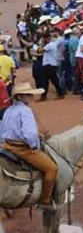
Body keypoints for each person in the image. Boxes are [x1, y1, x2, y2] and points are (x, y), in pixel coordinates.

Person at [0, 82, 56, 210]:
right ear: (19, 97)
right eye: (28, 95)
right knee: (52, 169)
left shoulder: (9, 110)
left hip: (7, 146)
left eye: (31, 94)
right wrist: (35, 144)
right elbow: (29, 135)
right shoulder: (25, 111)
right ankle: (45, 201)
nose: (31, 96)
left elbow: (4, 131)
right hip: (22, 149)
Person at [41, 30, 65, 101]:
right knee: (52, 80)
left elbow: (40, 50)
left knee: (49, 81)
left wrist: (41, 43)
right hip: (51, 64)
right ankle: (58, 93)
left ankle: (46, 96)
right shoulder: (53, 44)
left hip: (49, 65)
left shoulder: (50, 45)